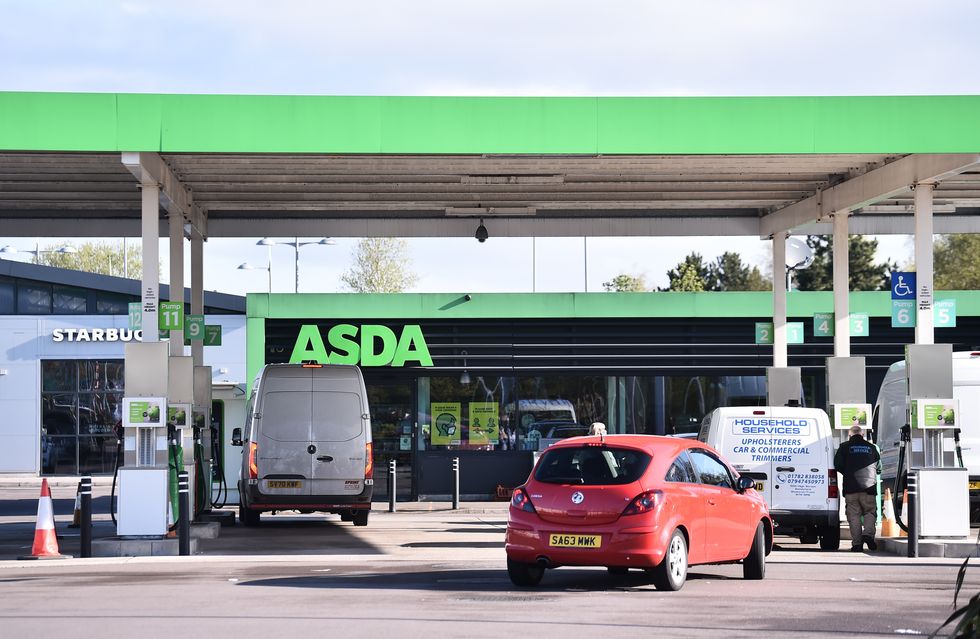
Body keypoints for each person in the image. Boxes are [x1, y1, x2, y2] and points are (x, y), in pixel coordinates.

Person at [834, 425, 882, 552]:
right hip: (869, 488)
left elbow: (837, 464)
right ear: (862, 435)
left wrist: (848, 472)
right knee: (870, 512)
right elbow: (879, 467)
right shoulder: (872, 447)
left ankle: (857, 544)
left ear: (850, 435)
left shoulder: (844, 447)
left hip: (851, 487)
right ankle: (868, 534)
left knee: (854, 515)